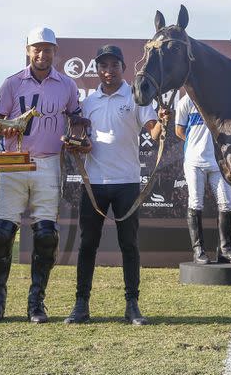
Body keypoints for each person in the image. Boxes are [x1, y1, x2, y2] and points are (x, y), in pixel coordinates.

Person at [0, 27, 82, 324]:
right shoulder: (12, 83)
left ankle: (36, 302)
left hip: (49, 163)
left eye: (48, 49)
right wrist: (7, 131)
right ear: (28, 50)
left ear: (55, 50)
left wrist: (77, 136)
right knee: (0, 234)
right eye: (37, 48)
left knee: (46, 235)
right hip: (12, 163)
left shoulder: (67, 84)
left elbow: (76, 118)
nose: (42, 54)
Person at [64, 45, 166, 326]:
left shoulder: (136, 97)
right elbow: (80, 141)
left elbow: (154, 132)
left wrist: (163, 124)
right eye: (103, 66)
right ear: (97, 69)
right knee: (87, 245)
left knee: (129, 245)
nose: (108, 71)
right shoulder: (87, 103)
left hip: (127, 182)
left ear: (123, 67)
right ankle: (81, 304)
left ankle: (132, 305)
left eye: (114, 65)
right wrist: (80, 146)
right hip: (94, 184)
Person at [175, 92, 231, 265]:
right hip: (194, 161)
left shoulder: (218, 98)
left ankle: (225, 250)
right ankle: (198, 251)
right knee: (196, 203)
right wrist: (195, 143)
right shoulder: (185, 102)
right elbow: (179, 130)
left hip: (218, 161)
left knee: (227, 204)